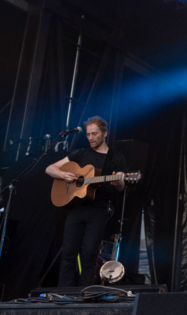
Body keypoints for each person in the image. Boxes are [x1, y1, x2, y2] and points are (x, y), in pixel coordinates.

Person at [45, 116, 127, 287]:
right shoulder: (81, 153)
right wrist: (64, 175)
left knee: (90, 253)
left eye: (94, 134)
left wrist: (118, 180)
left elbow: (120, 187)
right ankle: (64, 293)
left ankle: (86, 293)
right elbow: (50, 168)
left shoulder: (116, 158)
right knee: (68, 253)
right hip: (76, 209)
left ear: (104, 133)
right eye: (88, 134)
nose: (90, 138)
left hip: (98, 210)